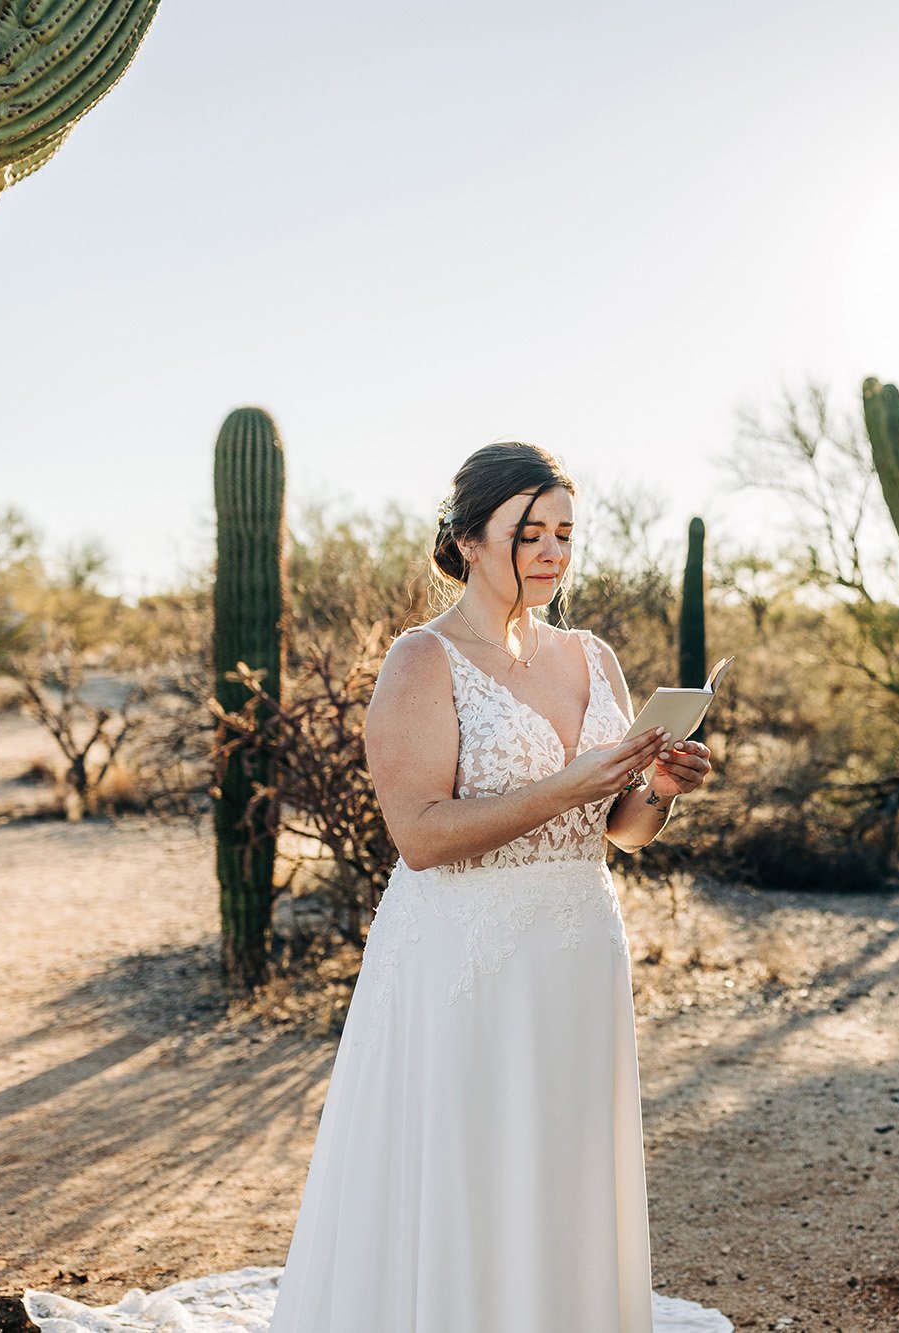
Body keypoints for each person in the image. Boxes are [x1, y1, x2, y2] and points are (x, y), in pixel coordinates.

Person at [266, 442, 730, 1333]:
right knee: (469, 1163)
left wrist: (657, 791)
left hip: (577, 951)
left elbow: (620, 830)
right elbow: (421, 835)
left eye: (564, 532)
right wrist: (575, 782)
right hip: (464, 957)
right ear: (469, 540)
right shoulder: (422, 660)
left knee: (561, 1160)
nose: (553, 552)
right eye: (530, 533)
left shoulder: (593, 656)